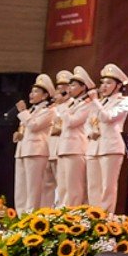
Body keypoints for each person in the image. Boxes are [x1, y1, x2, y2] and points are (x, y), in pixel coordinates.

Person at [89, 63, 128, 212]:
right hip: (94, 146)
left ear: (119, 85)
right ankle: (93, 216)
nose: (104, 86)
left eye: (109, 83)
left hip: (111, 147)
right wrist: (91, 131)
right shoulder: (100, 102)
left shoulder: (123, 101)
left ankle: (105, 219)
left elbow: (108, 117)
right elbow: (89, 121)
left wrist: (95, 101)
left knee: (107, 186)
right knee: (93, 186)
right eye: (102, 82)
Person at [12, 75, 56, 210]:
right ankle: (21, 217)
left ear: (44, 96)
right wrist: (19, 134)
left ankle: (31, 216)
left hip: (36, 151)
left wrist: (23, 112)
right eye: (32, 91)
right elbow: (26, 127)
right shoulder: (31, 110)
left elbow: (34, 125)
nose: (31, 94)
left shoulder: (49, 110)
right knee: (20, 188)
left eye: (36, 92)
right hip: (22, 150)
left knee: (33, 188)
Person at [52, 69, 91, 206]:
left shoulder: (87, 104)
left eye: (74, 85)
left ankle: (72, 214)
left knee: (73, 186)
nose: (70, 89)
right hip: (63, 148)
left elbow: (72, 122)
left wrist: (63, 106)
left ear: (83, 87)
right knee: (62, 186)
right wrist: (61, 105)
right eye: (70, 85)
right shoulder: (70, 104)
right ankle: (62, 213)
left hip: (76, 148)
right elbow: (57, 121)